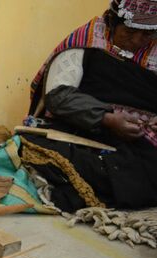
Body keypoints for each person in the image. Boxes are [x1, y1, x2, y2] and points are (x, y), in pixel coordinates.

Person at [24, 0, 157, 212]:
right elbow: (58, 96)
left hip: (141, 139)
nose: (137, 40)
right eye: (130, 32)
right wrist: (108, 118)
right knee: (61, 159)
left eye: (147, 34)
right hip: (84, 128)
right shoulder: (86, 40)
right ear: (113, 22)